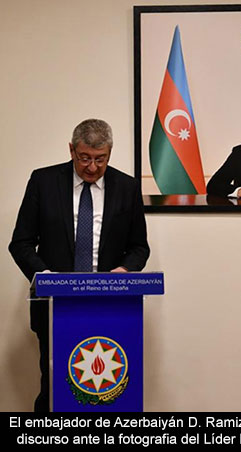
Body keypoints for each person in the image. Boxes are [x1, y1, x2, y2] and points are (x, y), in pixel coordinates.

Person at [9, 119, 150, 411]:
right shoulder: (43, 182)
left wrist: (124, 271)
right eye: (85, 157)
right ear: (71, 149)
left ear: (110, 154)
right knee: (55, 386)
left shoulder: (126, 187)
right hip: (54, 306)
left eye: (101, 159)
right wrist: (46, 277)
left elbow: (139, 247)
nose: (93, 167)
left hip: (110, 305)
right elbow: (21, 243)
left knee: (109, 389)